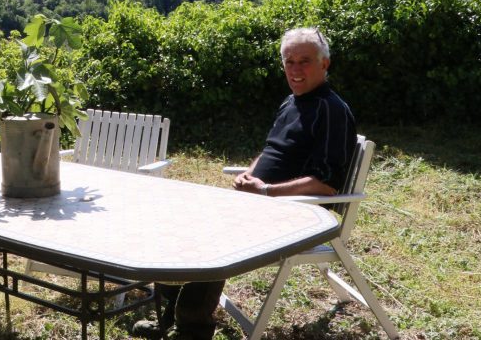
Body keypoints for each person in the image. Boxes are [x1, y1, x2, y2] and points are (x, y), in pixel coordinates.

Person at [133, 27, 357, 340]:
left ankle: (192, 329)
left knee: (213, 236)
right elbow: (271, 150)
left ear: (325, 64)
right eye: (289, 61)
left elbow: (326, 185)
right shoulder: (292, 102)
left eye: (304, 61)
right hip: (260, 201)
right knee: (179, 219)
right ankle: (168, 318)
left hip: (299, 214)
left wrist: (265, 191)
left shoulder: (331, 110)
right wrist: (251, 175)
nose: (295, 69)